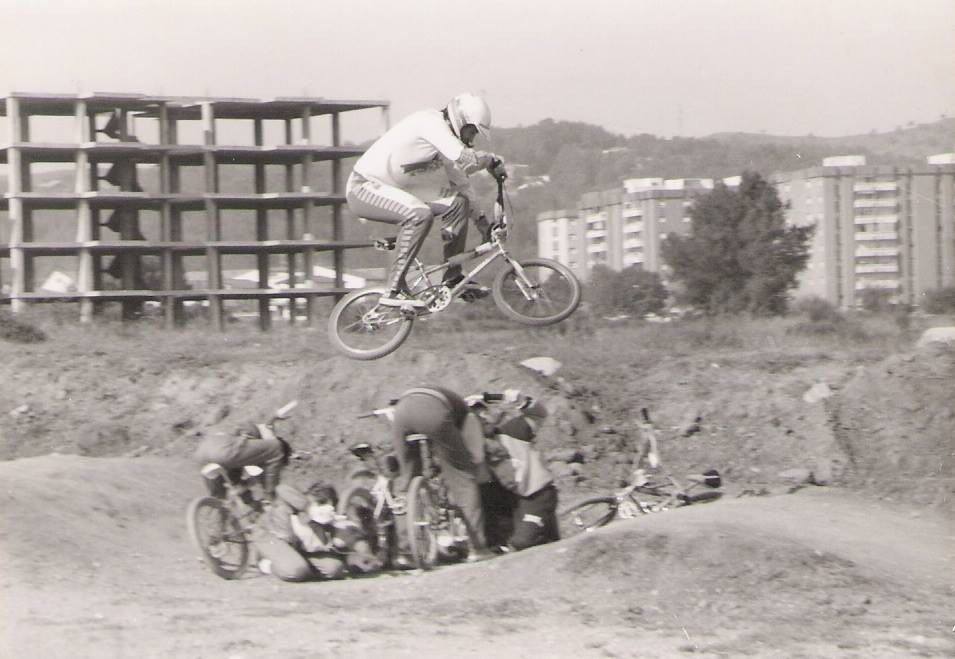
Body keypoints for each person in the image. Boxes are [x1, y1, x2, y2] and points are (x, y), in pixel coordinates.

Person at [346, 92, 508, 308]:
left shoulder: (443, 144)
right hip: (364, 187)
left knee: (458, 202)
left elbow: (463, 184)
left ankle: (453, 278)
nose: (472, 138)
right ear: (461, 120)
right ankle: (394, 289)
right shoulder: (431, 123)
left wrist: (484, 225)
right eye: (472, 131)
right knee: (419, 215)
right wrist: (490, 160)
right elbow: (464, 158)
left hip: (394, 189)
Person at [387, 385, 493, 563]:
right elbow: (476, 455)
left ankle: (405, 553)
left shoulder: (448, 399)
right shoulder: (468, 414)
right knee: (463, 479)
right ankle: (478, 547)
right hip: (432, 412)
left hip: (402, 411)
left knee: (406, 481)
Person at [468, 390, 560, 551]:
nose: (483, 418)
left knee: (522, 542)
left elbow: (539, 414)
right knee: (497, 543)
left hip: (538, 495)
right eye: (476, 416)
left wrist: (520, 400)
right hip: (513, 503)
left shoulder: (512, 431)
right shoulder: (472, 452)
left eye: (484, 412)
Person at [254, 481, 382, 582]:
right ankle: (268, 565)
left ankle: (297, 564)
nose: (325, 508)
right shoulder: (300, 509)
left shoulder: (334, 521)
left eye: (328, 504)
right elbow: (281, 488)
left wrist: (366, 555)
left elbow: (353, 537)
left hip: (299, 549)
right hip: (271, 537)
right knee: (296, 571)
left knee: (334, 569)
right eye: (320, 503)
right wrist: (309, 508)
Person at [194, 420, 290, 501]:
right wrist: (269, 489)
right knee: (276, 448)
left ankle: (221, 510)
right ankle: (270, 496)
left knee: (221, 498)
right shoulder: (251, 431)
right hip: (224, 453)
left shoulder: (229, 432)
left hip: (201, 456)